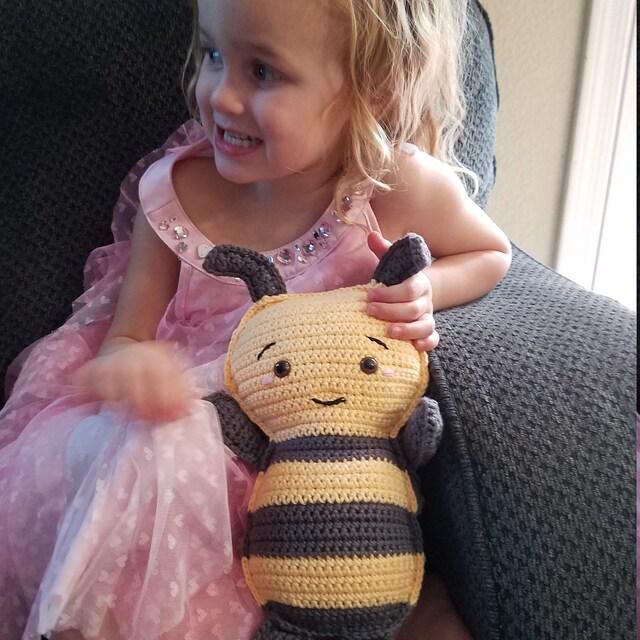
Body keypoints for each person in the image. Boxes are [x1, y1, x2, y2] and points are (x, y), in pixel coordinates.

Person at [0, 0, 511, 638]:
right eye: (213, 55)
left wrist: (425, 289)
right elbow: (123, 337)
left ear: (372, 85)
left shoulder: (394, 185)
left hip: (314, 461)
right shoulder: (177, 194)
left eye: (263, 71)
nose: (221, 95)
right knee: (132, 471)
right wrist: (132, 369)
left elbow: (491, 253)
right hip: (176, 442)